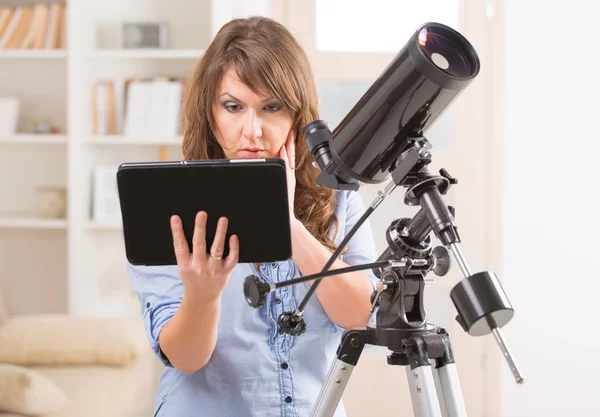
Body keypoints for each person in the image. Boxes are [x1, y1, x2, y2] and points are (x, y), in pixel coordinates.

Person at [127, 16, 379, 417]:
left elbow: (363, 315)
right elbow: (185, 359)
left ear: (297, 115)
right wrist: (202, 296)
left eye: (271, 108)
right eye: (233, 107)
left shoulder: (339, 198)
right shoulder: (167, 206)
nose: (253, 130)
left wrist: (290, 226)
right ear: (210, 113)